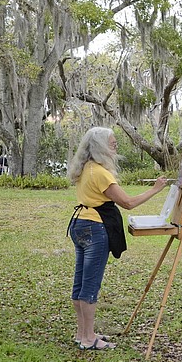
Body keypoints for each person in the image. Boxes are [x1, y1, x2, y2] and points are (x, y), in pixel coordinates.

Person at [66, 127, 167, 350]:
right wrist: (156, 189)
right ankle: (88, 339)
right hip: (95, 228)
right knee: (90, 285)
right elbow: (128, 203)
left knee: (80, 283)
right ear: (100, 146)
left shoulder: (87, 167)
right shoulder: (101, 173)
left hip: (80, 224)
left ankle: (83, 333)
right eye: (112, 143)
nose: (115, 147)